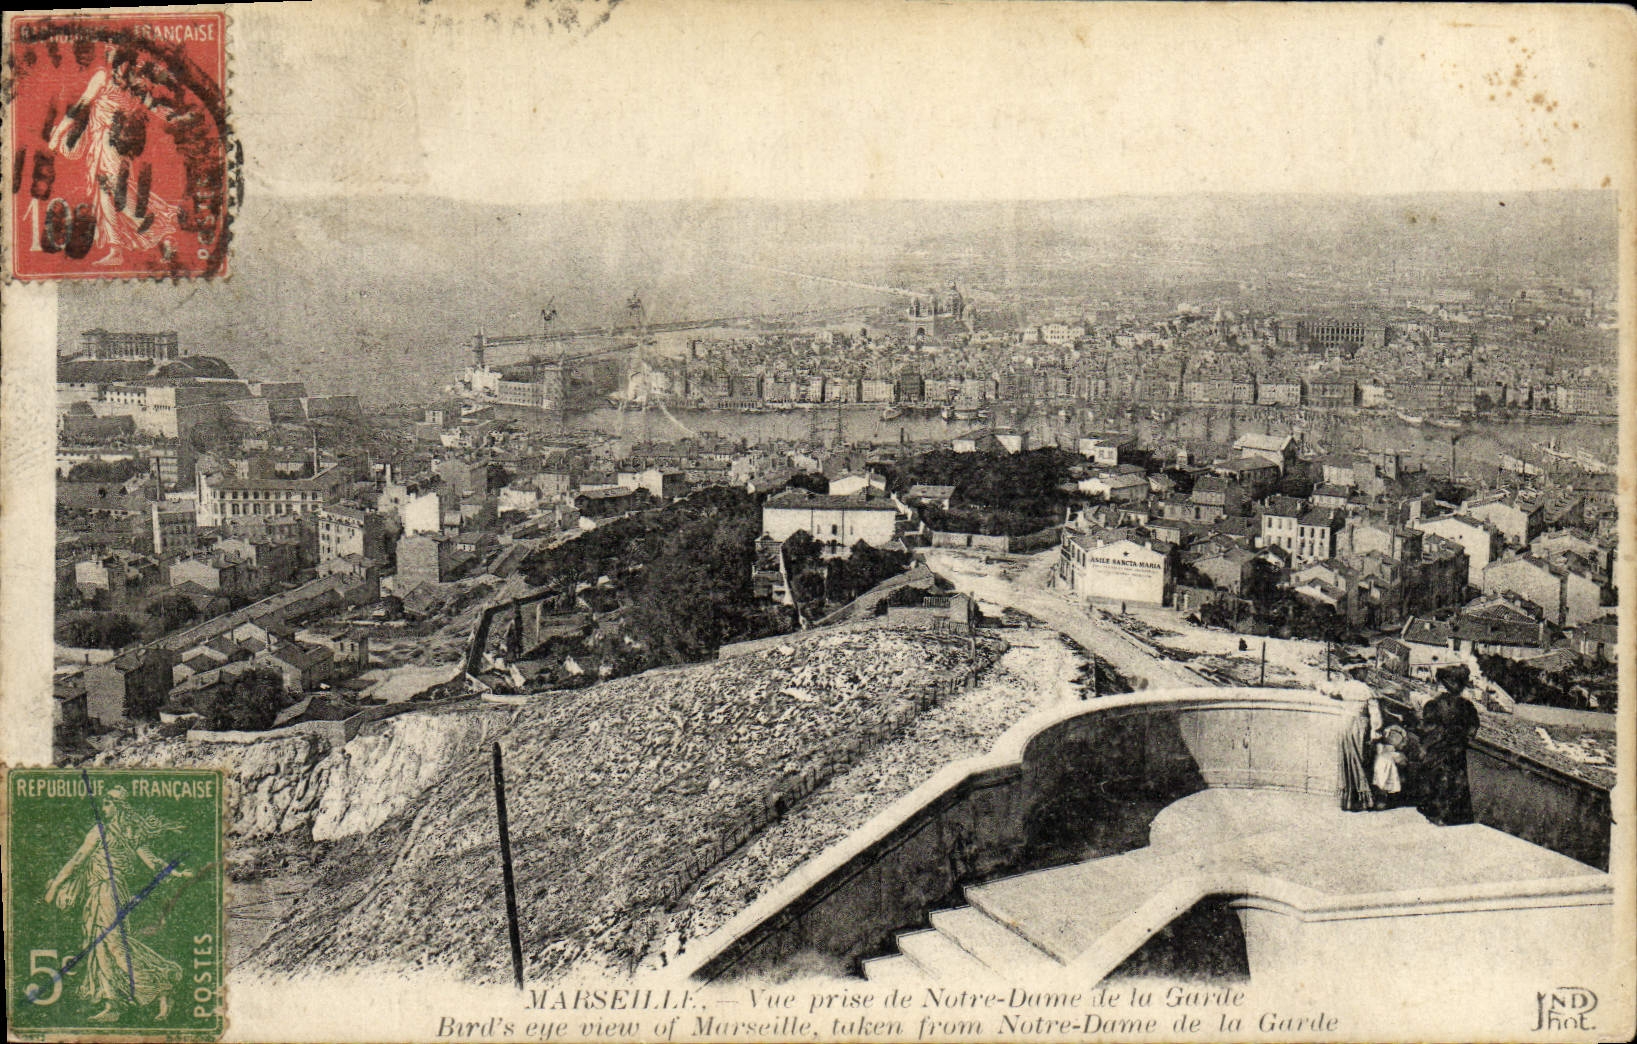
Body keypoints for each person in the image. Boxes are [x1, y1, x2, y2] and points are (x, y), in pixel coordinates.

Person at [42, 787, 189, 1021]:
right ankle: (113, 1004)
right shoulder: (124, 833)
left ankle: (160, 985)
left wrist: (54, 887)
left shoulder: (108, 831)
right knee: (100, 945)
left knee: (114, 945)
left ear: (118, 806)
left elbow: (79, 859)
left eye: (109, 804)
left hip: (109, 890)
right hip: (100, 891)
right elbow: (151, 861)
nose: (104, 808)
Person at [47, 46, 182, 266]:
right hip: (99, 144)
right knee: (104, 196)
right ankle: (116, 249)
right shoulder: (103, 78)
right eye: (120, 65)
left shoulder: (135, 86)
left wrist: (178, 119)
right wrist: (59, 134)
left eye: (129, 65)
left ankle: (161, 232)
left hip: (114, 146)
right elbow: (81, 105)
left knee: (116, 194)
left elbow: (156, 108)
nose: (125, 70)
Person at [1417, 669, 1482, 826]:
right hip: (1457, 749)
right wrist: (1462, 737)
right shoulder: (1467, 705)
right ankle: (1452, 816)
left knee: (1436, 778)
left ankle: (1435, 814)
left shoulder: (1434, 704)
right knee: (1455, 781)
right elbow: (1473, 727)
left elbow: (1427, 726)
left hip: (1438, 748)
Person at [1331, 681, 1381, 812]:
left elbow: (1331, 692)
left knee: (1346, 759)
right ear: (1359, 672)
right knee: (1359, 760)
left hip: (1344, 724)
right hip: (1359, 726)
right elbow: (1376, 717)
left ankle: (1347, 800)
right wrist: (1375, 731)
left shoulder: (1344, 686)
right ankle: (1361, 800)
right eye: (1363, 671)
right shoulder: (1366, 689)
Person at [1372, 724, 1411, 808]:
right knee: (1386, 785)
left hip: (1381, 769)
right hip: (1385, 769)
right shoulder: (1390, 751)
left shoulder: (1384, 749)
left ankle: (1383, 801)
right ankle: (1383, 801)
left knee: (1383, 785)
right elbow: (1402, 761)